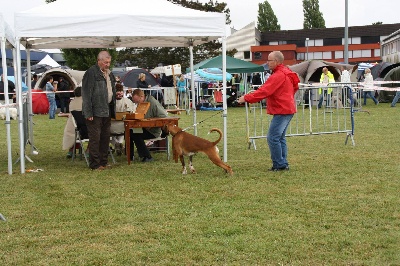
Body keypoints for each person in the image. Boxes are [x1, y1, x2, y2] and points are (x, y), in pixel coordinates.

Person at [237, 51, 300, 172]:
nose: (267, 62)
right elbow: (295, 86)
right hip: (287, 108)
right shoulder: (286, 72)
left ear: (276, 61)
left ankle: (279, 164)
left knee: (273, 138)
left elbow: (264, 91)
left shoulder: (278, 75)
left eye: (269, 60)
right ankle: (282, 163)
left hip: (283, 109)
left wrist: (246, 98)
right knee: (279, 138)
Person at [82, 50, 116, 171]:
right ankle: (95, 164)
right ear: (99, 61)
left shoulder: (109, 74)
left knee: (105, 137)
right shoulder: (91, 73)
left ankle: (103, 162)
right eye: (106, 62)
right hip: (95, 111)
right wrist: (88, 112)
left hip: (107, 110)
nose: (107, 64)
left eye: (109, 62)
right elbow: (86, 94)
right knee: (95, 139)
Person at [129, 88, 168, 162]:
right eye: (135, 101)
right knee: (129, 132)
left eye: (137, 101)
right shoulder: (142, 103)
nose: (136, 103)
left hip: (153, 131)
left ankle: (147, 156)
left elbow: (164, 116)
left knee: (136, 134)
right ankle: (130, 155)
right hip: (144, 128)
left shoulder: (152, 102)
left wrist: (152, 124)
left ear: (141, 97)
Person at [110, 83, 136, 155]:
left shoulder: (108, 102)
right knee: (124, 129)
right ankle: (120, 143)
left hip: (111, 127)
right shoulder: (128, 101)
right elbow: (133, 112)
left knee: (104, 131)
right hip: (125, 127)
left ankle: (116, 144)